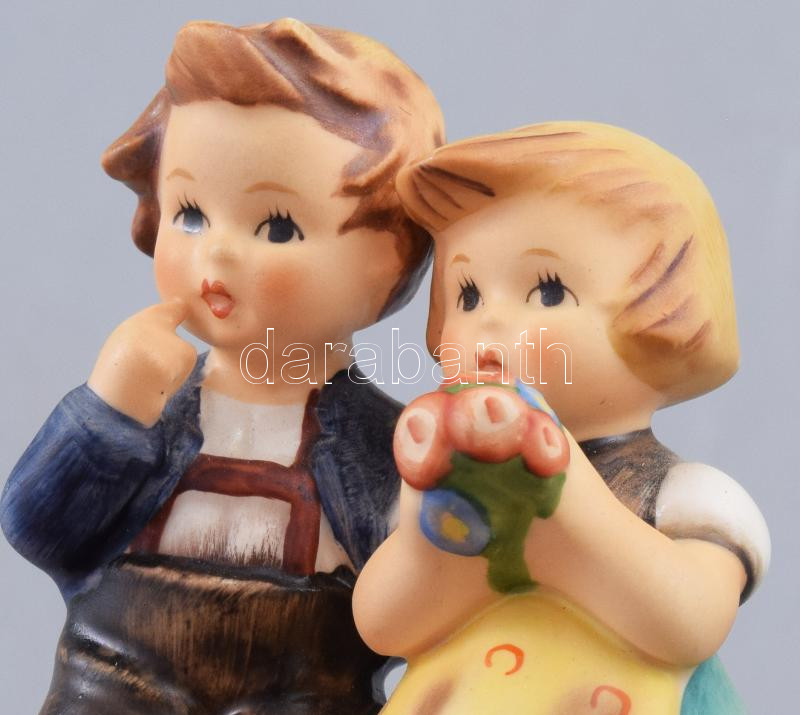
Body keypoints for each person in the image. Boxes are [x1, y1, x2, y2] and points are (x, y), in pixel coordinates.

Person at [0, 18, 443, 714]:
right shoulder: (148, 406)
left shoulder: (389, 445)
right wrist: (106, 415)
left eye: (277, 226)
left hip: (302, 694)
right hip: (113, 682)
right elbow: (38, 528)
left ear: (394, 256)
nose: (217, 255)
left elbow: (420, 617)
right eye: (190, 214)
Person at [354, 122, 770, 714]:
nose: (487, 322)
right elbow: (383, 626)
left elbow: (690, 625)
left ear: (668, 313)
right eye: (468, 295)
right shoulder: (454, 477)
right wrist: (431, 529)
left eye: (548, 291)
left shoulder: (682, 495)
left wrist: (566, 503)